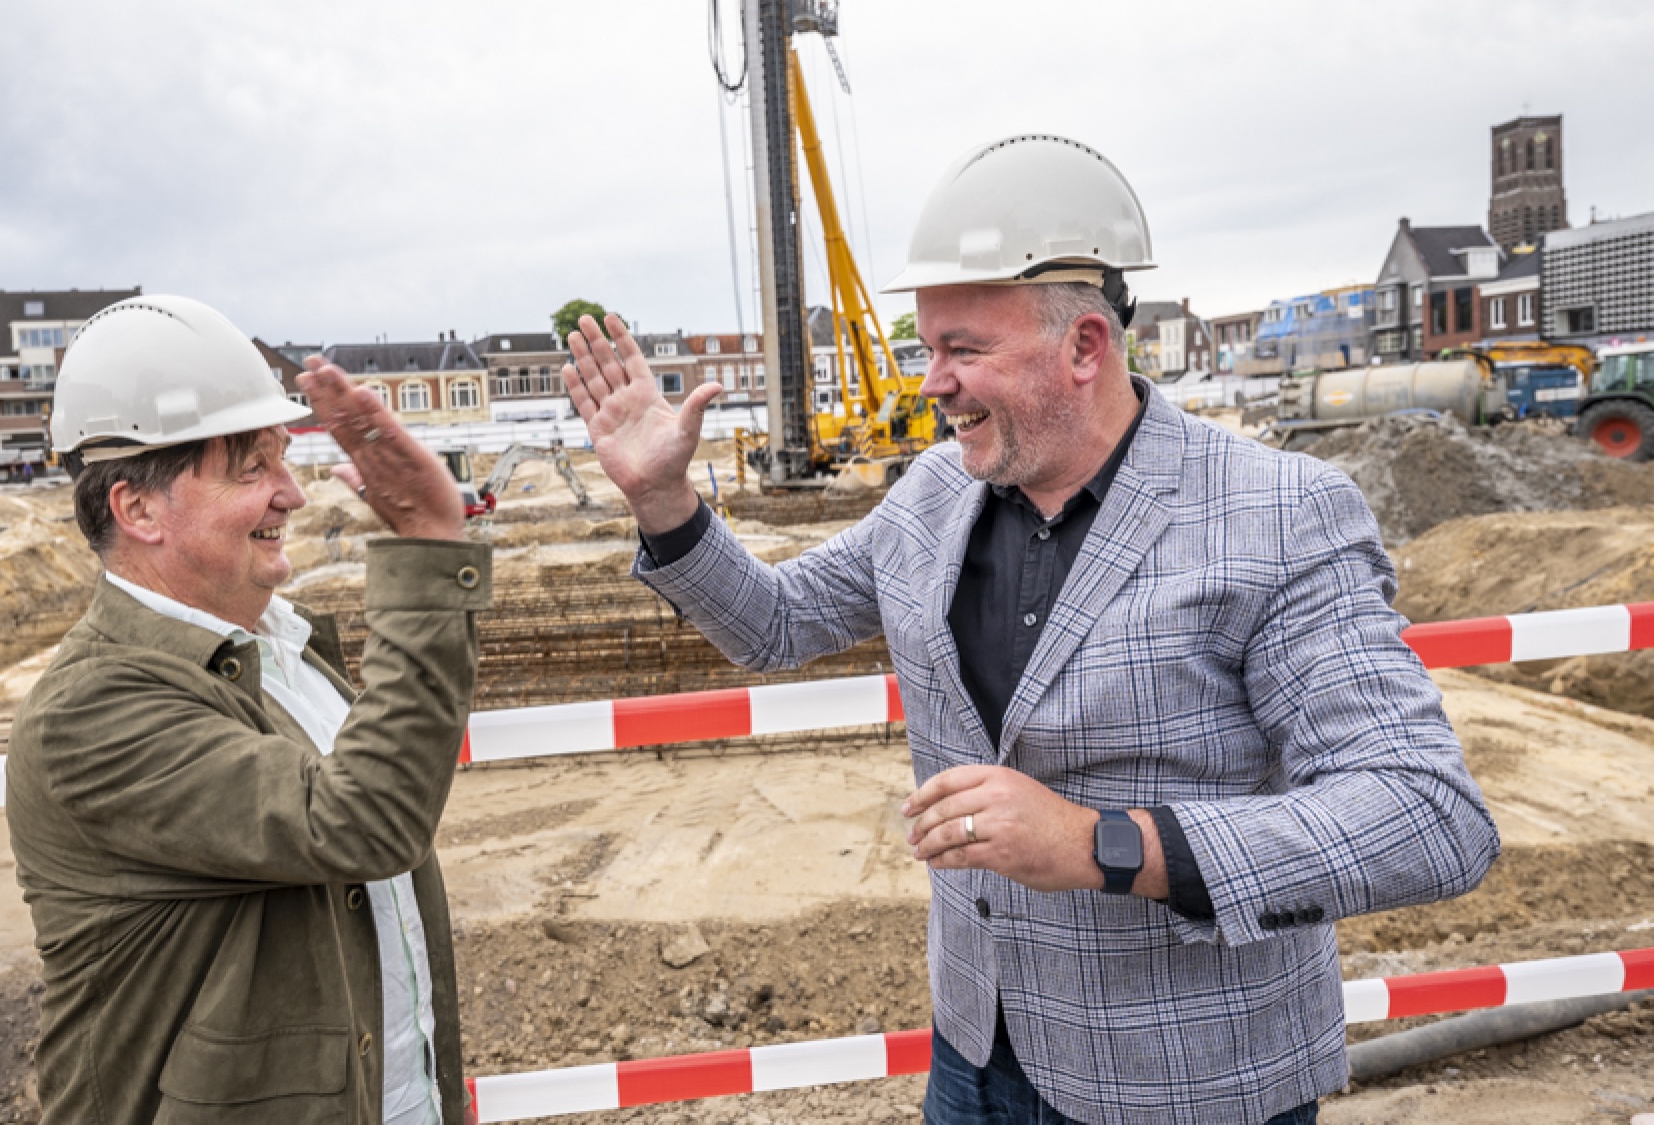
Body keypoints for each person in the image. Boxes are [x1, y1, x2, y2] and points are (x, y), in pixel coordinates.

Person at [564, 136, 1499, 1124]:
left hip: (1185, 1083)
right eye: (928, 349)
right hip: (975, 1053)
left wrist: (1103, 844)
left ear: (1084, 346)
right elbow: (773, 625)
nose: (930, 383)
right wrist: (665, 502)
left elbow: (1424, 816)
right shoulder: (931, 494)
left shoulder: (1277, 512)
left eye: (962, 351)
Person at [5, 294, 489, 1125]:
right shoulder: (90, 711)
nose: (292, 495)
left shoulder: (278, 649)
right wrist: (430, 551)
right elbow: (362, 821)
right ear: (139, 508)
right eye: (251, 467)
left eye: (284, 460)